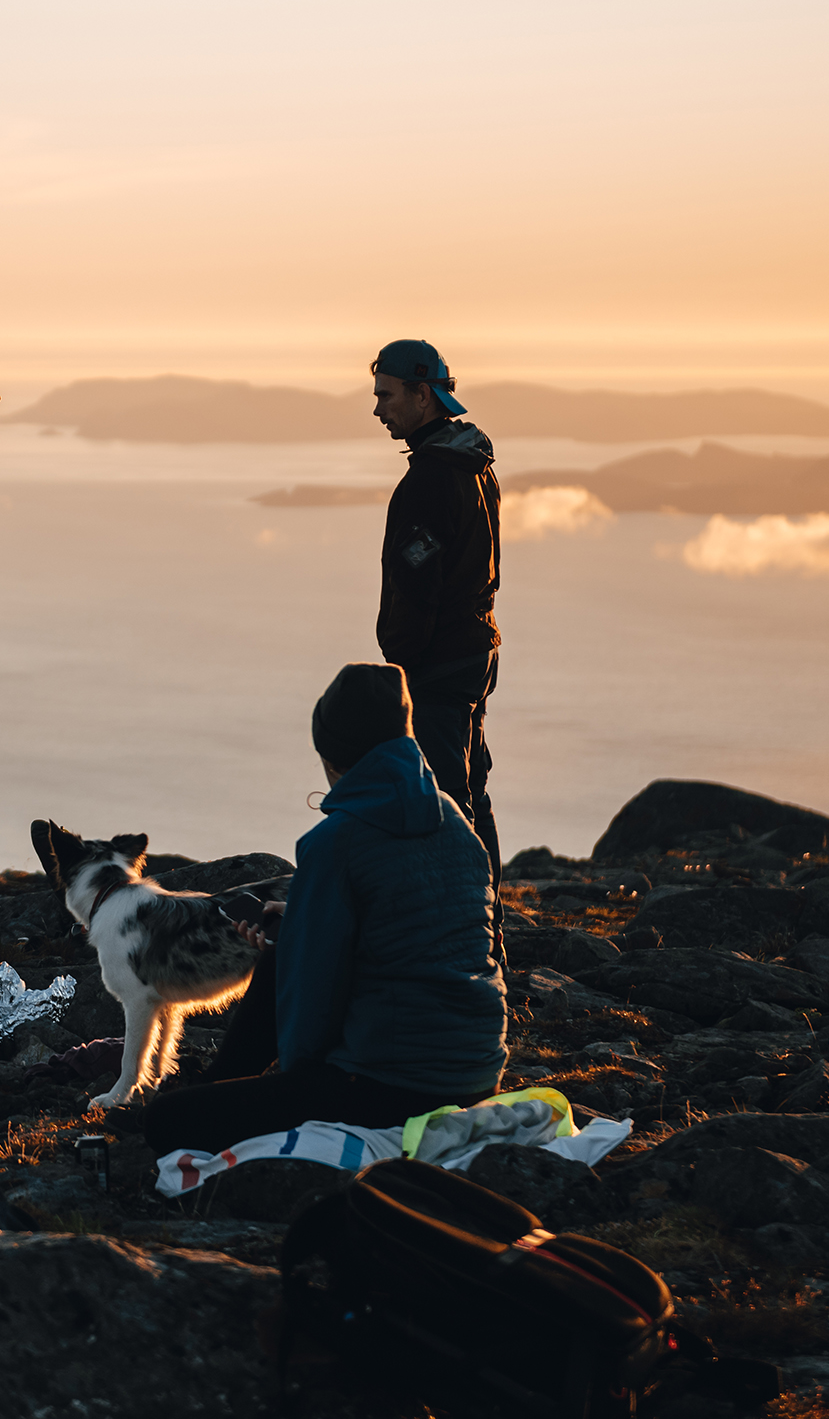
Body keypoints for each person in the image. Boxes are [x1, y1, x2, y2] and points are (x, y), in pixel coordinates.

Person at [142, 662, 506, 1158]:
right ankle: (217, 1083)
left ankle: (211, 1088)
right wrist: (291, 932)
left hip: (394, 1088)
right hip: (478, 1072)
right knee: (286, 940)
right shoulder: (455, 822)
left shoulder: (337, 842)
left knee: (165, 1124)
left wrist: (294, 1081)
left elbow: (312, 1002)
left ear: (332, 757)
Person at [368, 338, 502, 886]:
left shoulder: (430, 477)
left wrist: (400, 660)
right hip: (475, 649)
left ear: (423, 395)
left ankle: (466, 927)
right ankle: (488, 918)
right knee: (471, 788)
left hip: (438, 663)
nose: (378, 409)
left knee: (444, 800)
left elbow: (416, 585)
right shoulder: (473, 463)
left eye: (387, 395)